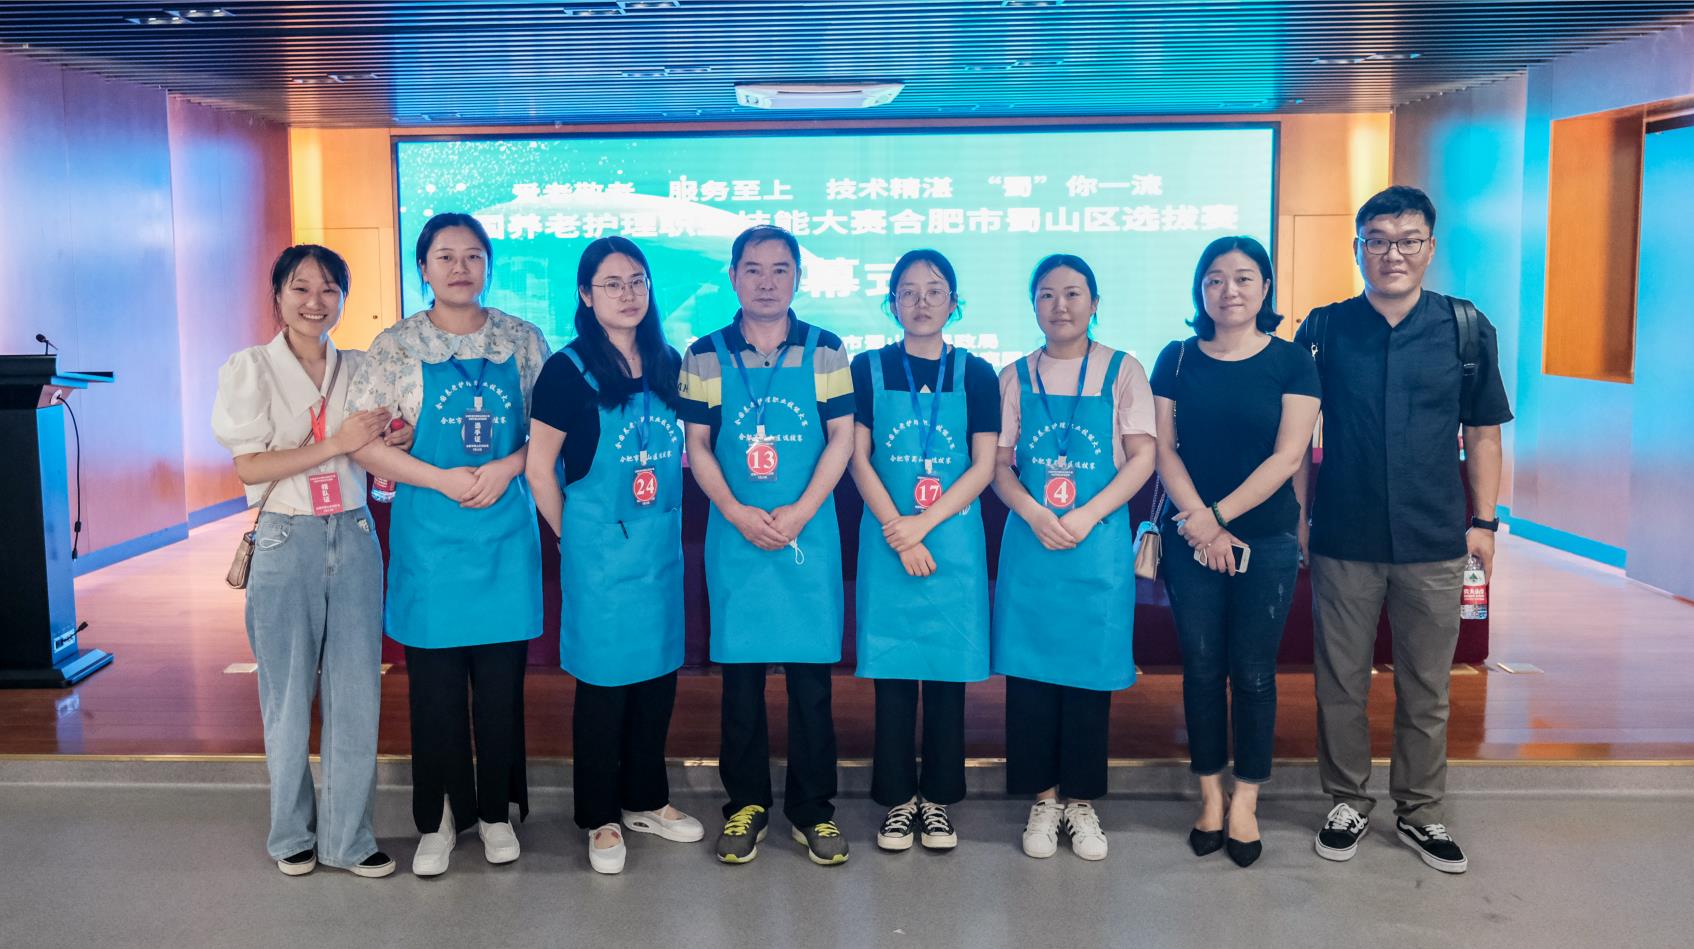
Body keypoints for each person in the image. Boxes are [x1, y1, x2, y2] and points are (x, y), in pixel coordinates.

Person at [1293, 185, 1512, 874]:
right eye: (1378, 240)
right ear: (1357, 247)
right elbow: (1297, 439)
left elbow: (1483, 433)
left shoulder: (1465, 327)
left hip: (1435, 535)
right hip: (1344, 533)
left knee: (1427, 685)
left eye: (1408, 240)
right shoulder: (1323, 329)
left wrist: (1484, 522)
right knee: (1340, 682)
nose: (1393, 253)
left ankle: (1420, 810)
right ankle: (1347, 800)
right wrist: (1300, 516)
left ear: (1429, 247)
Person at [344, 212, 550, 877]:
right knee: (434, 692)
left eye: (473, 255)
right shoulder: (396, 346)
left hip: (503, 535)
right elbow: (363, 442)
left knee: (499, 690)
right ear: (423, 268)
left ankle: (495, 813)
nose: (460, 267)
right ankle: (437, 818)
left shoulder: (523, 339)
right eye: (445, 256)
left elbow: (550, 434)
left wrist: (507, 466)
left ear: (488, 264)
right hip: (432, 538)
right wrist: (440, 477)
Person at [212, 244, 413, 878]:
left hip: (353, 533)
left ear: (343, 299)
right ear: (278, 296)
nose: (315, 301)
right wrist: (336, 444)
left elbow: (379, 445)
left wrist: (395, 439)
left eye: (329, 289)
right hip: (284, 536)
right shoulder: (250, 368)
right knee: (287, 696)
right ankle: (290, 834)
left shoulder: (361, 367)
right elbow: (250, 467)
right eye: (300, 288)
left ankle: (349, 839)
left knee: (357, 694)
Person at [679, 225, 856, 866]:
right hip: (738, 535)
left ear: (797, 277)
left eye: (780, 269)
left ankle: (813, 810)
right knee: (742, 683)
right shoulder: (704, 354)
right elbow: (698, 445)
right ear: (733, 277)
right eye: (753, 269)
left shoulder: (826, 350)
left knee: (812, 684)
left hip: (808, 534)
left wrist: (802, 511)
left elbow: (841, 438)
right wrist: (734, 511)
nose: (766, 281)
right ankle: (746, 804)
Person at [526, 236, 702, 875]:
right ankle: (600, 816)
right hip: (599, 553)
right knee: (603, 687)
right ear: (585, 294)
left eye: (637, 281)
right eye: (612, 283)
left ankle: (646, 800)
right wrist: (570, 536)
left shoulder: (667, 362)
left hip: (658, 548)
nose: (627, 294)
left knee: (656, 679)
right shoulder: (566, 371)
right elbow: (539, 468)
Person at [1150, 236, 1321, 868]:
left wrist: (1217, 519)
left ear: (1265, 287)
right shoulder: (1174, 358)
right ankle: (1210, 796)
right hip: (1189, 537)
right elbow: (1164, 449)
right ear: (1201, 290)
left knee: (1253, 672)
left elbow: (1288, 455)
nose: (1230, 290)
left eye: (1244, 278)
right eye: (1216, 279)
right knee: (1200, 668)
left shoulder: (1292, 360)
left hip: (1266, 537)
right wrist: (1201, 526)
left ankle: (1246, 799)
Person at [991, 253, 1157, 862]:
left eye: (1073, 293)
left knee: (1089, 675)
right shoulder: (1013, 375)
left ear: (1094, 302)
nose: (1059, 306)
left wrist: (1086, 514)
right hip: (1032, 546)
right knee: (1031, 678)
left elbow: (1142, 456)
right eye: (1047, 295)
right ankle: (1042, 799)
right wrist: (1034, 512)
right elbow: (998, 465)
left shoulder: (1123, 369)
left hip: (1097, 544)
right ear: (1033, 304)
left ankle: (1081, 801)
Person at [847, 249, 999, 853]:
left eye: (935, 291)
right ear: (891, 303)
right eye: (907, 292)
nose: (921, 302)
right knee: (891, 678)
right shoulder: (868, 368)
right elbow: (857, 457)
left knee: (945, 678)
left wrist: (922, 526)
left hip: (952, 542)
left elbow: (983, 465)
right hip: (888, 540)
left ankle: (936, 801)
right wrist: (898, 529)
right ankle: (896, 801)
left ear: (954, 302)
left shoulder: (978, 373)